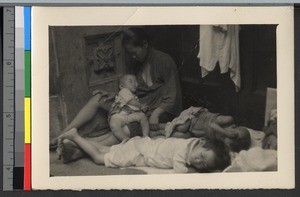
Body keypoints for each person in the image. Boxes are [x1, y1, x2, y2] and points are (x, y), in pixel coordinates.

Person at [52, 27, 182, 162]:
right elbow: (133, 92)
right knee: (99, 98)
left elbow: (174, 95)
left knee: (123, 130)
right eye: (130, 53)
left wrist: (157, 113)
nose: (133, 56)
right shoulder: (138, 63)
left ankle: (78, 149)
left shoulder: (165, 61)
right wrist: (114, 94)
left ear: (145, 44)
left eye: (134, 52)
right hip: (133, 106)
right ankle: (63, 134)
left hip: (150, 113)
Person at [58, 128, 231, 173]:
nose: (197, 162)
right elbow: (181, 173)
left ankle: (75, 147)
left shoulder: (192, 143)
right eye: (201, 156)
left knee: (105, 148)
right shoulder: (182, 151)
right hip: (139, 153)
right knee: (99, 158)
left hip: (141, 144)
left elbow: (201, 157)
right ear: (200, 144)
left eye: (202, 165)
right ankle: (75, 137)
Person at [151, 107, 251, 153]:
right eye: (233, 134)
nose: (227, 136)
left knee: (181, 137)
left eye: (228, 141)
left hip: (194, 132)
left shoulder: (223, 141)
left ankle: (159, 132)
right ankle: (159, 126)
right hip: (194, 118)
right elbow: (211, 125)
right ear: (233, 126)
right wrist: (224, 132)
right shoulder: (228, 120)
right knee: (182, 127)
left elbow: (209, 140)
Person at [108, 74, 149, 141]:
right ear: (121, 86)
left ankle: (145, 136)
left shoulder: (134, 95)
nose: (134, 84)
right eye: (130, 82)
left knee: (143, 116)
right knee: (114, 125)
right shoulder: (124, 91)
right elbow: (130, 101)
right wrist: (141, 106)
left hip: (129, 116)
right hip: (119, 115)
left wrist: (142, 109)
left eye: (136, 82)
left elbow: (134, 107)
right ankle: (125, 139)